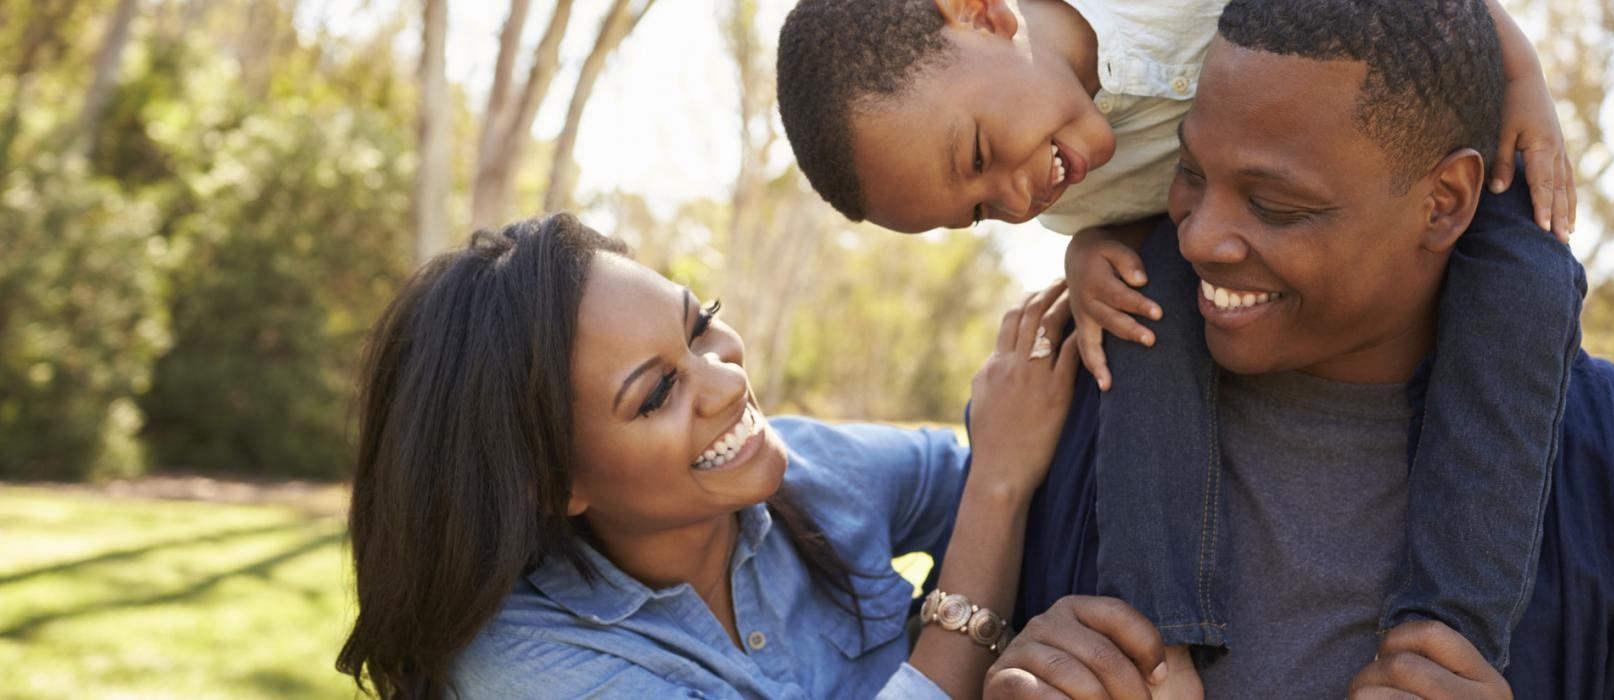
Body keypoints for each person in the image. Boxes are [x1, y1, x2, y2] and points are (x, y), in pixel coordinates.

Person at [986, 0, 1614, 696]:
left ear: (1446, 202)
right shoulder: (1058, 419)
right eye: (1190, 173)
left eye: (1275, 204)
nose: (1198, 236)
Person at [777, 0, 1581, 673]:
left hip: (1420, 161)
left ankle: (1447, 638)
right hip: (1233, 243)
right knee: (1139, 313)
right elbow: (1127, 218)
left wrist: (1521, 80)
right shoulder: (1060, 184)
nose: (1017, 197)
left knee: (1532, 277)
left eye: (982, 153)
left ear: (980, 12)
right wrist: (1085, 248)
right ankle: (1155, 640)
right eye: (982, 210)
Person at [332, 213, 1116, 698]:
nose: (725, 381)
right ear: (554, 483)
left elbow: (1035, 480)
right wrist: (998, 495)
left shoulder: (811, 467)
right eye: (655, 395)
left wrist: (1099, 248)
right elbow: (999, 485)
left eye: (698, 323)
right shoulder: (525, 665)